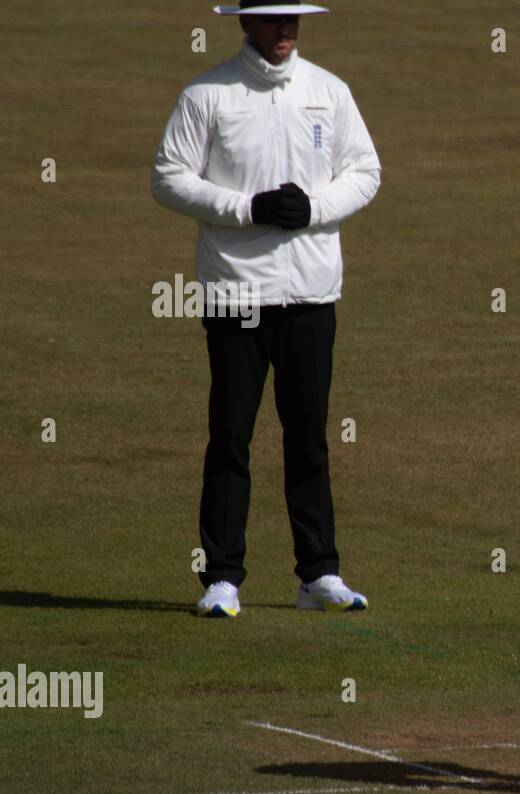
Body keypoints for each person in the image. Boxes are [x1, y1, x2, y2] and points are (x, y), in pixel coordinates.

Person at [150, 1, 380, 617]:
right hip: (236, 294)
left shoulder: (328, 91)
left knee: (308, 437)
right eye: (273, 20)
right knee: (231, 434)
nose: (285, 31)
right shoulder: (208, 94)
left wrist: (314, 208)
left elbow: (364, 171)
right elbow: (168, 177)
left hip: (310, 293)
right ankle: (221, 579)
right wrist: (248, 208)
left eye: (293, 20)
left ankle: (318, 575)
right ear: (245, 24)